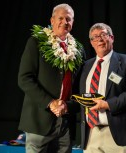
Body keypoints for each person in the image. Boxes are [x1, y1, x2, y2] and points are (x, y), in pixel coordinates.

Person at [18, 3, 85, 153]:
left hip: (66, 125)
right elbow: (24, 79)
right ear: (52, 20)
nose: (64, 22)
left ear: (73, 22)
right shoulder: (36, 43)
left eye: (68, 19)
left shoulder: (79, 50)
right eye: (60, 18)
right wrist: (50, 103)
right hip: (39, 122)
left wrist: (68, 106)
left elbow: (80, 87)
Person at [79, 23, 126, 153]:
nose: (100, 39)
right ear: (91, 43)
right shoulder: (85, 66)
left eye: (103, 35)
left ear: (112, 38)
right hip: (91, 133)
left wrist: (107, 104)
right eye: (95, 37)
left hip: (118, 133)